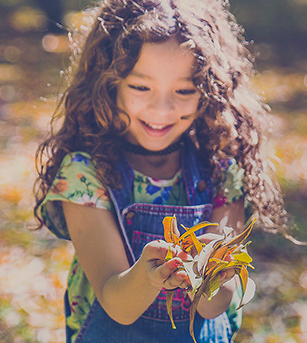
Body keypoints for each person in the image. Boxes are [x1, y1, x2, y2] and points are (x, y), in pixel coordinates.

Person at [33, 0, 290, 341]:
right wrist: (149, 276)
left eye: (184, 90)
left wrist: (217, 275)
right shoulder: (84, 175)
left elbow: (213, 307)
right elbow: (117, 304)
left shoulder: (221, 174)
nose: (162, 109)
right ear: (109, 85)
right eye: (141, 87)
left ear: (209, 92)